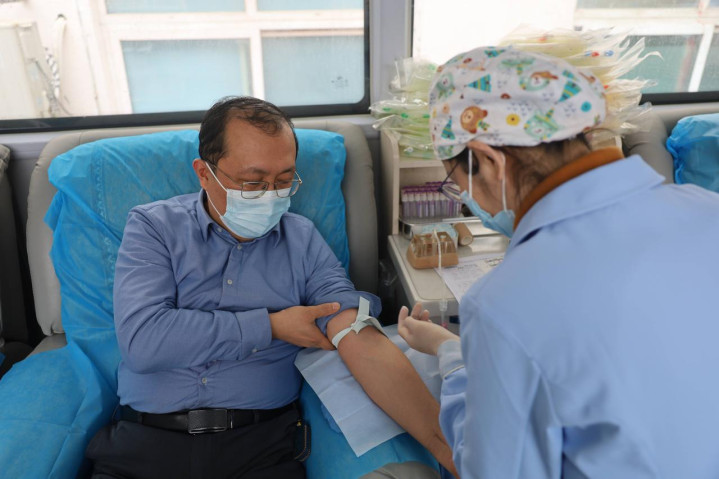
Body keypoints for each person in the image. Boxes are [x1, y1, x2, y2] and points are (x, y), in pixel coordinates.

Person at [85, 96, 456, 478]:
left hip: (258, 449)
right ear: (204, 173)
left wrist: (449, 449)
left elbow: (352, 331)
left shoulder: (302, 241)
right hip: (144, 445)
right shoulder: (154, 228)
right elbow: (144, 342)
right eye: (253, 183)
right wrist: (272, 325)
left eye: (283, 181)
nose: (271, 196)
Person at [397, 44, 719, 479]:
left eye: (455, 180)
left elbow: (494, 471)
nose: (467, 197)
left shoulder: (505, 304)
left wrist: (453, 359)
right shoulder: (707, 210)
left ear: (488, 160)